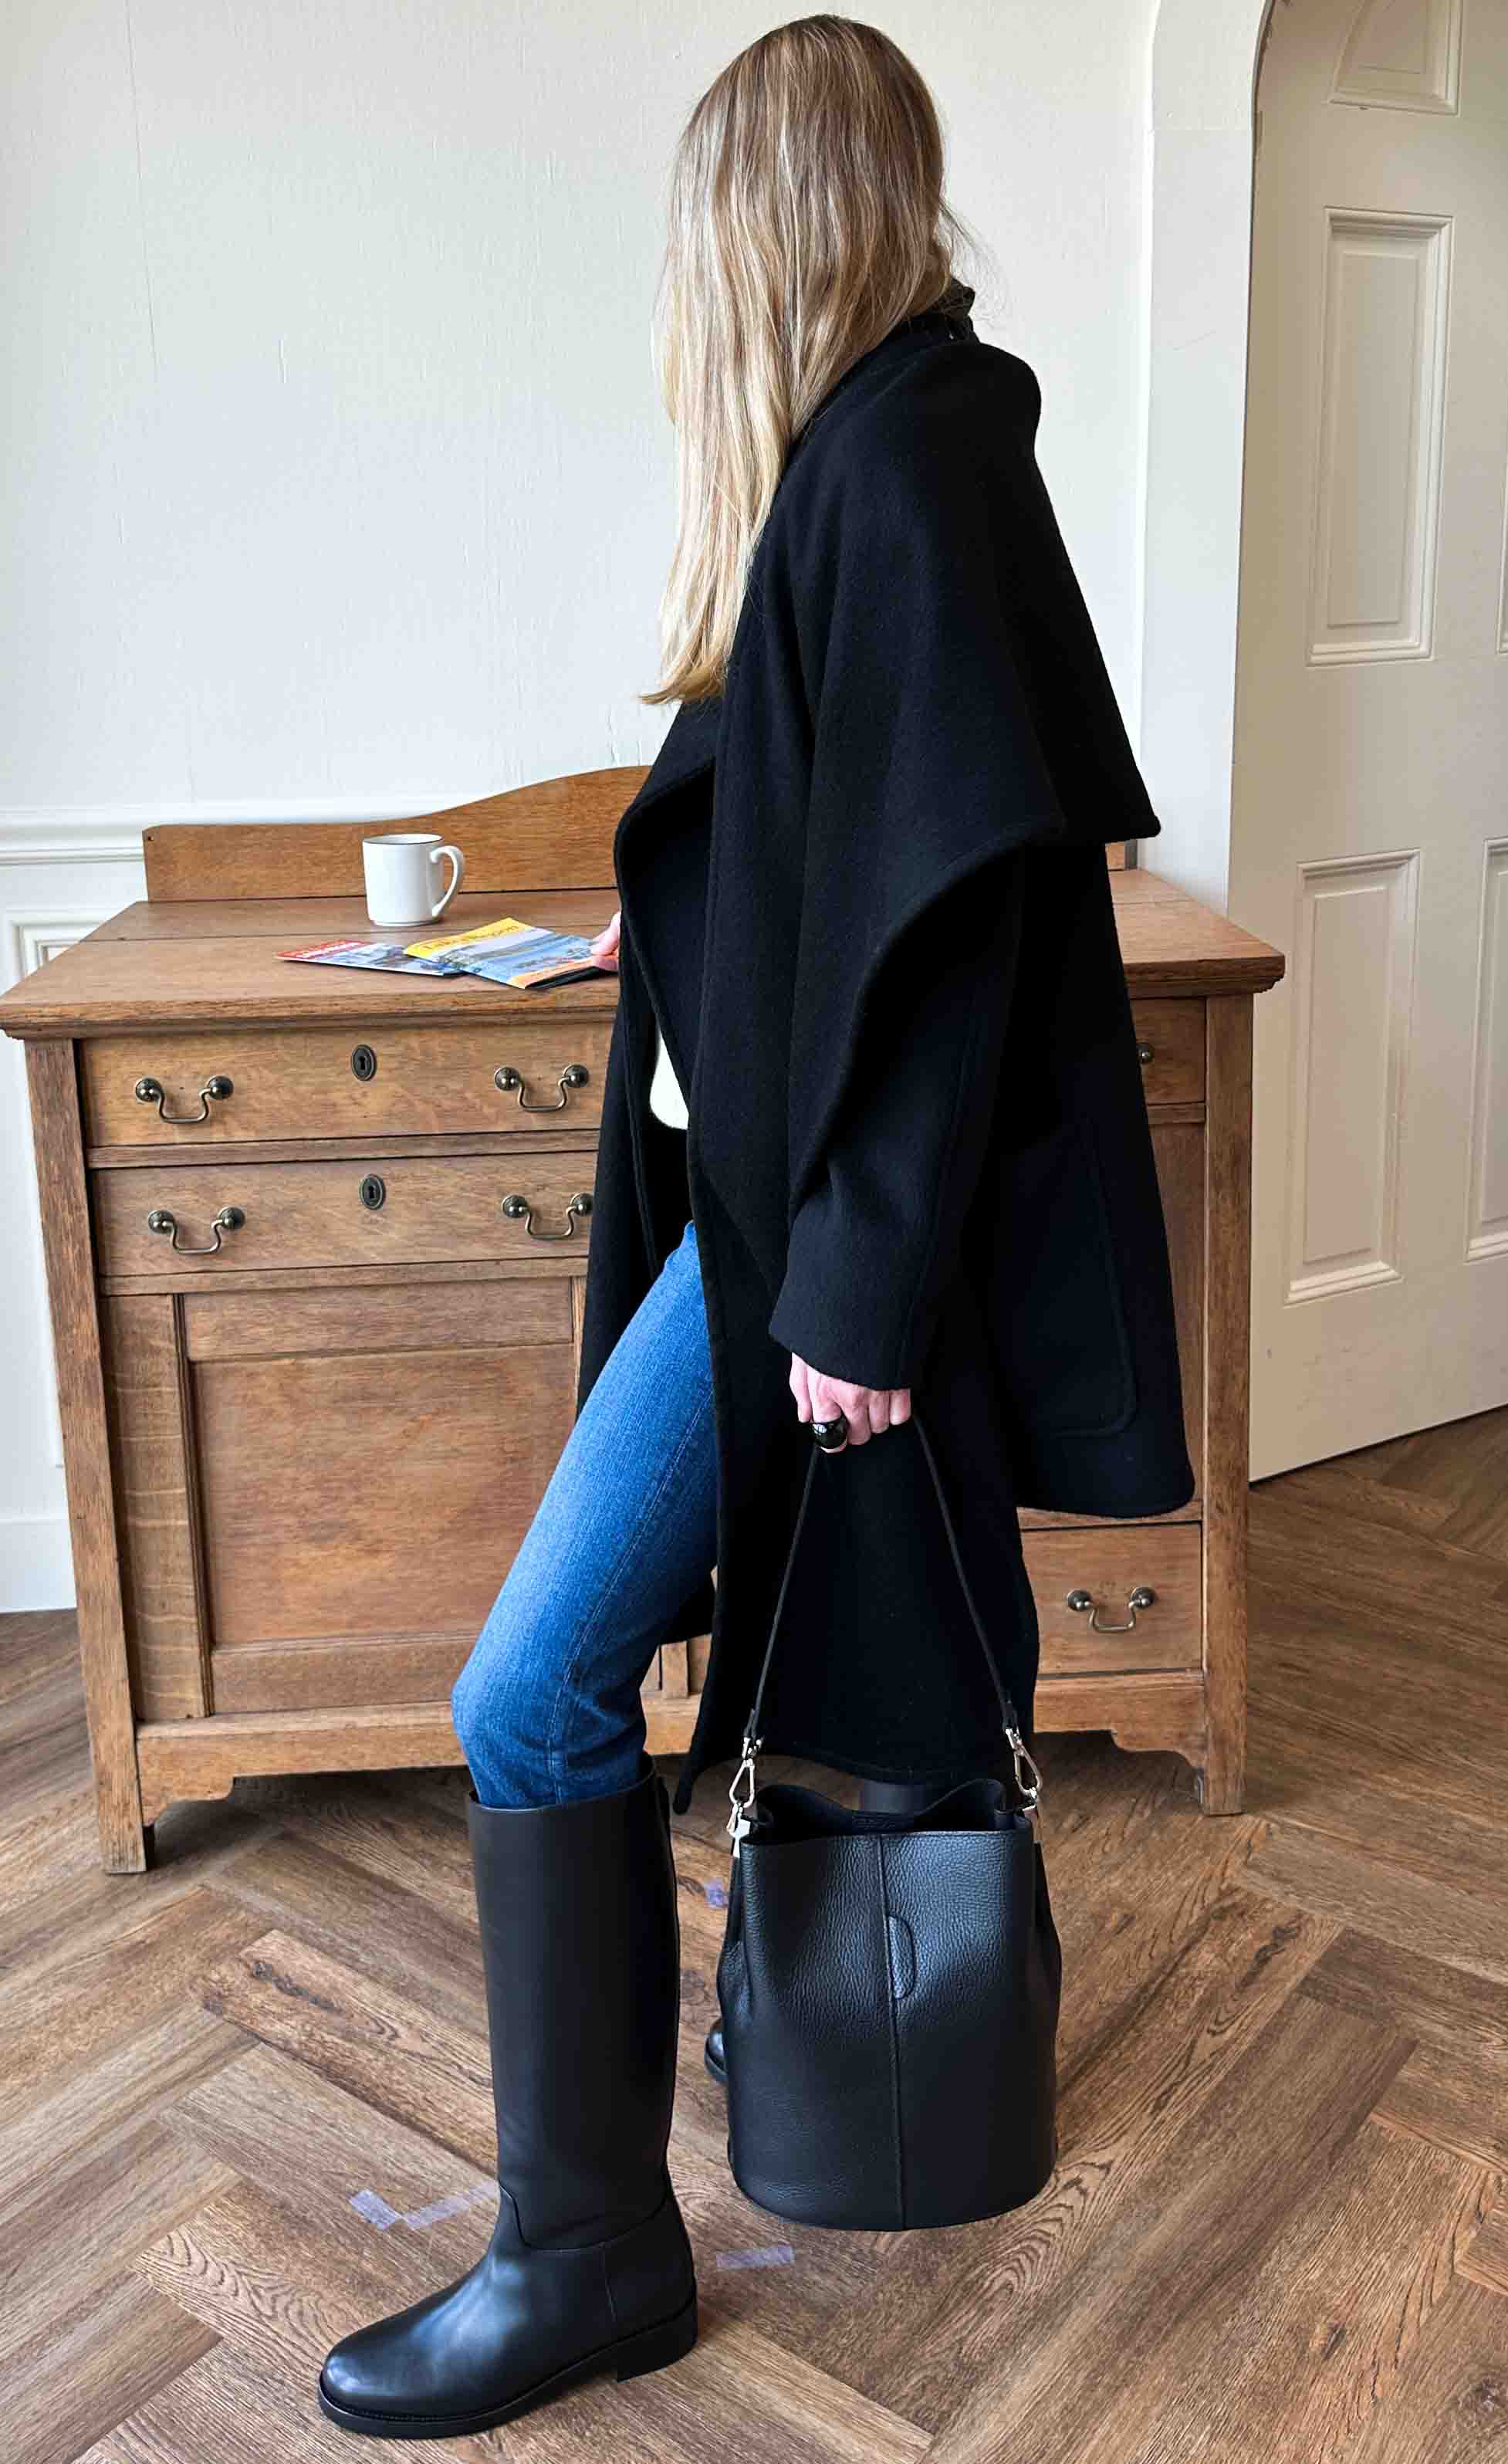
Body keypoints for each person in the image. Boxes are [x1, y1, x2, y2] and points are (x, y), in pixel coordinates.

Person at [318, 13, 1194, 2440]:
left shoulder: (909, 460)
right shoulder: (878, 455)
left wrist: (865, 1288)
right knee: (556, 1691)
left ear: (761, 230)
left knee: (526, 1692)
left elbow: (969, 919)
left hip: (799, 1250)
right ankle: (585, 2238)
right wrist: (690, 930)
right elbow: (841, 842)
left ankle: (584, 2259)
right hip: (772, 1215)